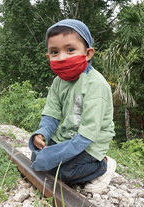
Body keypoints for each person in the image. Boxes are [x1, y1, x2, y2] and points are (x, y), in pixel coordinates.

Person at [28, 19, 116, 193]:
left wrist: (55, 156)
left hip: (90, 142)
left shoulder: (95, 85)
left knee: (63, 172)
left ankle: (103, 166)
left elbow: (88, 133)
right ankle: (68, 161)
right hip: (67, 137)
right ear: (48, 56)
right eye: (54, 52)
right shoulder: (58, 82)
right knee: (36, 156)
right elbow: (52, 113)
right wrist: (42, 133)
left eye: (70, 50)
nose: (61, 57)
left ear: (88, 53)